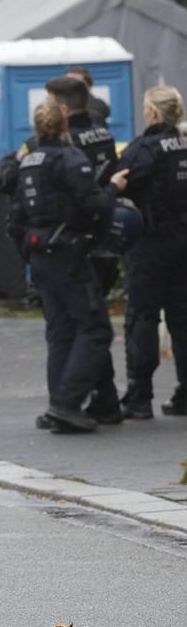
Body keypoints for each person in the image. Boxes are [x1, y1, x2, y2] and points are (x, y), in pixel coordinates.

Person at [7, 102, 115, 434]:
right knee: (97, 329)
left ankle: (58, 405)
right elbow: (93, 205)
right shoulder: (69, 159)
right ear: (64, 123)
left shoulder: (28, 160)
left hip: (39, 251)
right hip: (67, 252)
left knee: (60, 331)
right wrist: (114, 190)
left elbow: (16, 217)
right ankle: (67, 403)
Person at [109, 85, 187, 419]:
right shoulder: (184, 145)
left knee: (142, 317)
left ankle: (140, 396)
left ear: (153, 113)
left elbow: (115, 181)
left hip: (151, 241)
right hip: (184, 240)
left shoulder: (143, 149)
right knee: (183, 318)